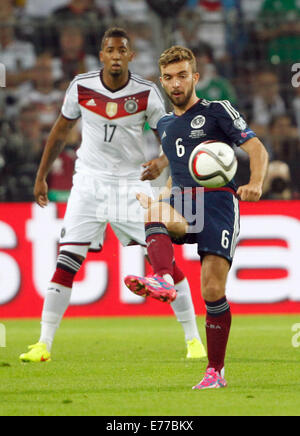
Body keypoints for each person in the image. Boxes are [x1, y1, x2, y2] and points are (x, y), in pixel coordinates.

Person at [19, 29, 206, 363]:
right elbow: (60, 131)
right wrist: (41, 175)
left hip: (131, 185)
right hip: (88, 182)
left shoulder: (147, 93)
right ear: (101, 55)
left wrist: (162, 161)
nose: (116, 55)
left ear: (130, 56)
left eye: (122, 50)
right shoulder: (81, 86)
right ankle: (43, 344)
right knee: (67, 262)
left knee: (163, 264)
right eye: (110, 50)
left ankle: (194, 341)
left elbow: (171, 134)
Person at [125, 46, 269, 390]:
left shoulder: (217, 111)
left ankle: (215, 371)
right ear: (162, 81)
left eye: (182, 76)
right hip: (184, 201)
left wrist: (255, 183)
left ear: (195, 77)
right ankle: (161, 279)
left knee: (212, 290)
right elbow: (177, 168)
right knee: (155, 210)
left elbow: (256, 148)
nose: (176, 84)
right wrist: (162, 193)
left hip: (219, 202)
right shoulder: (166, 124)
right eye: (169, 78)